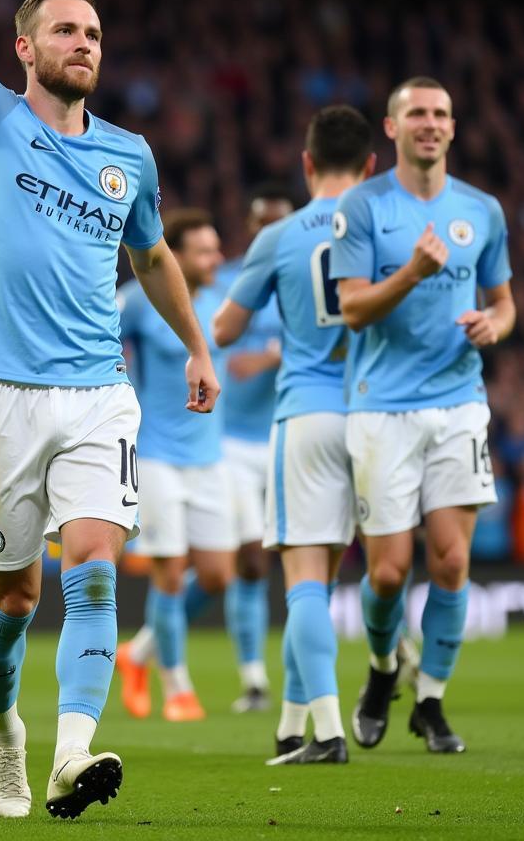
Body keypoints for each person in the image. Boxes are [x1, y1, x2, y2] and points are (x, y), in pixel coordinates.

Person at [0, 0, 220, 820]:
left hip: (97, 390)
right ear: (24, 46)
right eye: (66, 31)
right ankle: (5, 730)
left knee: (93, 566)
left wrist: (199, 347)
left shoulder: (129, 155)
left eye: (93, 33)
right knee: (9, 600)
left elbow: (157, 257)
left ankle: (71, 757)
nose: (84, 44)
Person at [331, 77, 515, 754]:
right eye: (417, 114)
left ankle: (431, 701)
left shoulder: (482, 211)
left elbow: (504, 301)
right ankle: (383, 672)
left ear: (453, 127)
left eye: (440, 114)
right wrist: (410, 272)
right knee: (385, 573)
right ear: (392, 127)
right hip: (381, 407)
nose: (430, 124)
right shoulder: (363, 206)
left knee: (452, 562)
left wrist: (495, 324)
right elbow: (352, 308)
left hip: (459, 403)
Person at [213, 106, 377, 764]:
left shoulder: (279, 235)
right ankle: (289, 728)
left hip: (305, 413)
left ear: (307, 164)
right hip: (376, 414)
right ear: (371, 167)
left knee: (303, 578)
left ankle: (331, 733)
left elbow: (223, 330)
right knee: (327, 576)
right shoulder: (387, 230)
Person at [115, 209, 233, 723]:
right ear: (177, 257)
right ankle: (177, 687)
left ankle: (137, 653)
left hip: (209, 456)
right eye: (205, 250)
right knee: (168, 573)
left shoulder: (226, 301)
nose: (216, 258)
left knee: (216, 575)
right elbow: (99, 338)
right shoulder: (139, 303)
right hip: (156, 453)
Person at [217, 186, 294, 713]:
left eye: (280, 223)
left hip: (289, 431)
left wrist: (267, 359)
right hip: (230, 441)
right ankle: (254, 680)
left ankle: (150, 642)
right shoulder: (226, 282)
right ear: (250, 225)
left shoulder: (304, 281)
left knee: (287, 553)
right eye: (263, 222)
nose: (271, 231)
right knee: (247, 558)